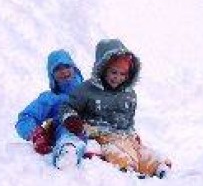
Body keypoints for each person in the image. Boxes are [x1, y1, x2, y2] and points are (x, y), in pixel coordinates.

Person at [57, 38, 172, 178]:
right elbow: (67, 106)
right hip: (100, 135)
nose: (118, 77)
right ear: (102, 69)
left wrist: (132, 133)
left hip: (124, 135)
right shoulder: (87, 89)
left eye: (123, 74)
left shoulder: (129, 94)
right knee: (115, 153)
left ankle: (159, 167)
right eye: (114, 72)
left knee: (141, 152)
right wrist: (71, 118)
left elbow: (128, 119)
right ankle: (128, 170)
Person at [15, 49, 86, 166]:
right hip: (68, 132)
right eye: (58, 69)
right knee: (66, 126)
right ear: (52, 75)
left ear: (74, 68)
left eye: (67, 66)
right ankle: (68, 150)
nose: (64, 71)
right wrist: (36, 134)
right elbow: (26, 117)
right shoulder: (51, 98)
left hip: (98, 131)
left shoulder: (89, 91)